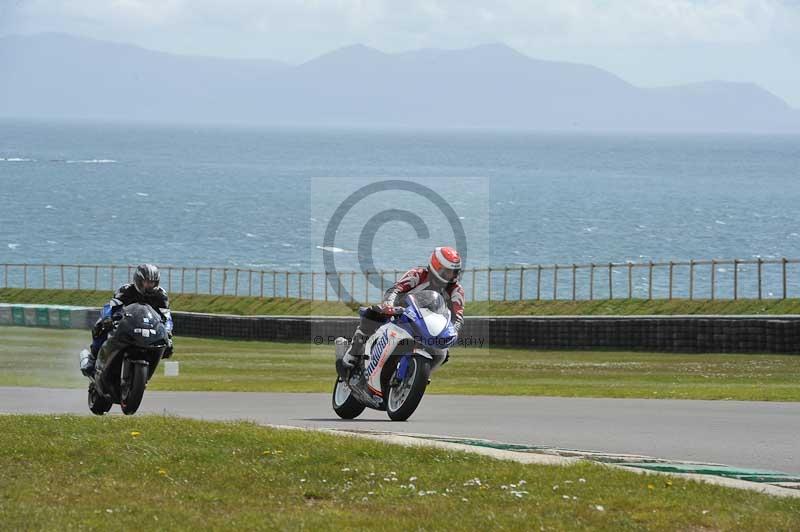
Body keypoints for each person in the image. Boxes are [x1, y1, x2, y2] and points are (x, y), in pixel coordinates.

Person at [340, 246, 465, 380]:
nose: (451, 276)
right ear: (436, 266)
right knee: (371, 315)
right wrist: (388, 305)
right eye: (447, 272)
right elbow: (395, 290)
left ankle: (419, 377)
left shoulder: (456, 290)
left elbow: (457, 317)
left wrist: (454, 331)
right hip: (399, 315)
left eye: (454, 272)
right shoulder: (418, 274)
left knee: (442, 353)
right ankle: (352, 354)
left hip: (426, 327)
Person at [80, 264, 173, 377]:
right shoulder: (126, 290)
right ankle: (93, 358)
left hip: (148, 327)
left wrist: (168, 331)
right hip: (125, 323)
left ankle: (146, 371)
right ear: (139, 280)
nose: (149, 285)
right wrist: (107, 318)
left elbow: (167, 317)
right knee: (100, 326)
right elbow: (109, 306)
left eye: (152, 283)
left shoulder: (161, 295)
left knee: (168, 346)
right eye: (146, 282)